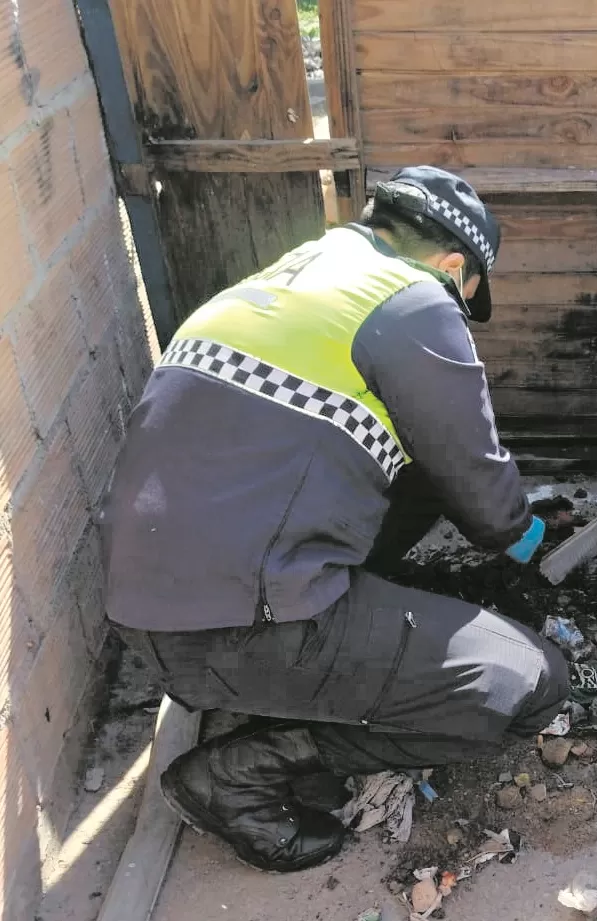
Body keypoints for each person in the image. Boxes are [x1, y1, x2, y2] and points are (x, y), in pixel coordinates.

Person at [98, 167, 569, 872]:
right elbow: (480, 484)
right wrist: (525, 536)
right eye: (467, 294)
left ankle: (335, 651)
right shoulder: (415, 301)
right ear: (452, 268)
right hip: (233, 633)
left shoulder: (287, 280)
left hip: (152, 607)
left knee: (414, 468)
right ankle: (244, 771)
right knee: (528, 683)